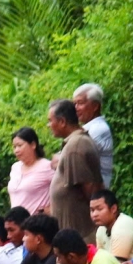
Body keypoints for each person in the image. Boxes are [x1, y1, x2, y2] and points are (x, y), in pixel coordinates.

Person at [46, 99, 103, 235]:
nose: (48, 125)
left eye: (50, 121)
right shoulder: (74, 143)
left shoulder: (75, 146)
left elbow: (90, 191)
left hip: (81, 232)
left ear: (62, 122)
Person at [90, 190, 133, 262]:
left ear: (113, 209)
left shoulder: (122, 227)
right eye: (92, 210)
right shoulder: (101, 230)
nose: (94, 214)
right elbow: (101, 260)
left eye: (99, 209)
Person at [74, 83, 114, 188]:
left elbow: (73, 156)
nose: (76, 108)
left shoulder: (98, 129)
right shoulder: (89, 127)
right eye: (75, 104)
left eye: (80, 103)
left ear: (95, 106)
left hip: (95, 194)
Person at [7, 127, 53, 213]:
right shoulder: (15, 167)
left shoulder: (47, 166)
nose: (16, 150)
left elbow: (64, 190)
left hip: (38, 223)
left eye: (20, 146)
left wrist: (50, 210)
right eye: (14, 147)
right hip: (17, 223)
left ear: (33, 145)